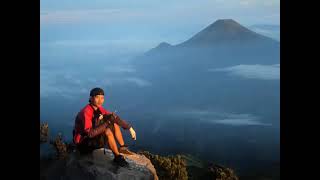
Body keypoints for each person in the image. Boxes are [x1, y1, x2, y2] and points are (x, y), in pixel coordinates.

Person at [73, 87, 137, 167]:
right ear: (91, 98)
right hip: (84, 144)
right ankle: (117, 157)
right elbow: (89, 133)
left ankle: (122, 147)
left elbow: (114, 117)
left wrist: (129, 128)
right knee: (107, 130)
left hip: (92, 139)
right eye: (97, 97)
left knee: (114, 123)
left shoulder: (99, 109)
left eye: (102, 98)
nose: (100, 100)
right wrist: (107, 122)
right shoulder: (86, 112)